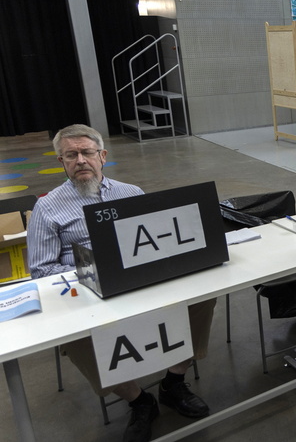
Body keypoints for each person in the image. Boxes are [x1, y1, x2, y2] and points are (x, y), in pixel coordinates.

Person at [28, 124, 217, 442]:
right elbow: (41, 270)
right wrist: (89, 274)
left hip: (139, 282)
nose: (81, 160)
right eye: (71, 155)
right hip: (87, 293)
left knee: (202, 298)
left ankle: (173, 381)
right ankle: (139, 400)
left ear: (102, 156)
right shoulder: (47, 209)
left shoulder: (131, 193)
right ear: (61, 162)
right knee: (74, 338)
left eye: (87, 153)